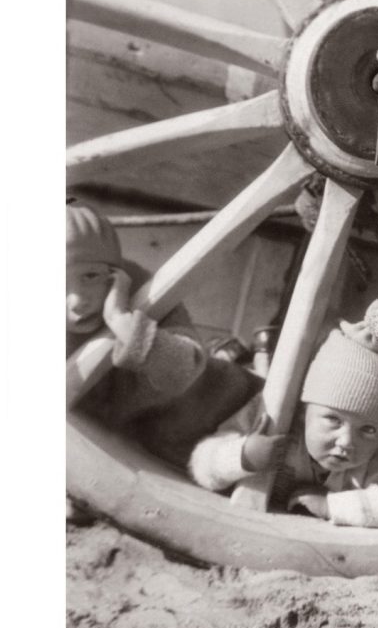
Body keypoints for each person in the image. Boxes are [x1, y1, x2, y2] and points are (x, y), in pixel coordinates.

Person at [189, 297, 378, 528]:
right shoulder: (274, 413)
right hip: (253, 393)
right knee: (240, 381)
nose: (346, 441)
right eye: (333, 419)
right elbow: (201, 462)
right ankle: (245, 353)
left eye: (368, 429)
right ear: (304, 410)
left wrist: (331, 506)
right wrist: (244, 456)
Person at [66, 199, 259, 469]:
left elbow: (183, 370)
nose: (77, 300)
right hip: (173, 459)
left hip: (235, 406)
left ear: (115, 273)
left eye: (90, 276)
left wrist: (121, 320)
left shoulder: (147, 295)